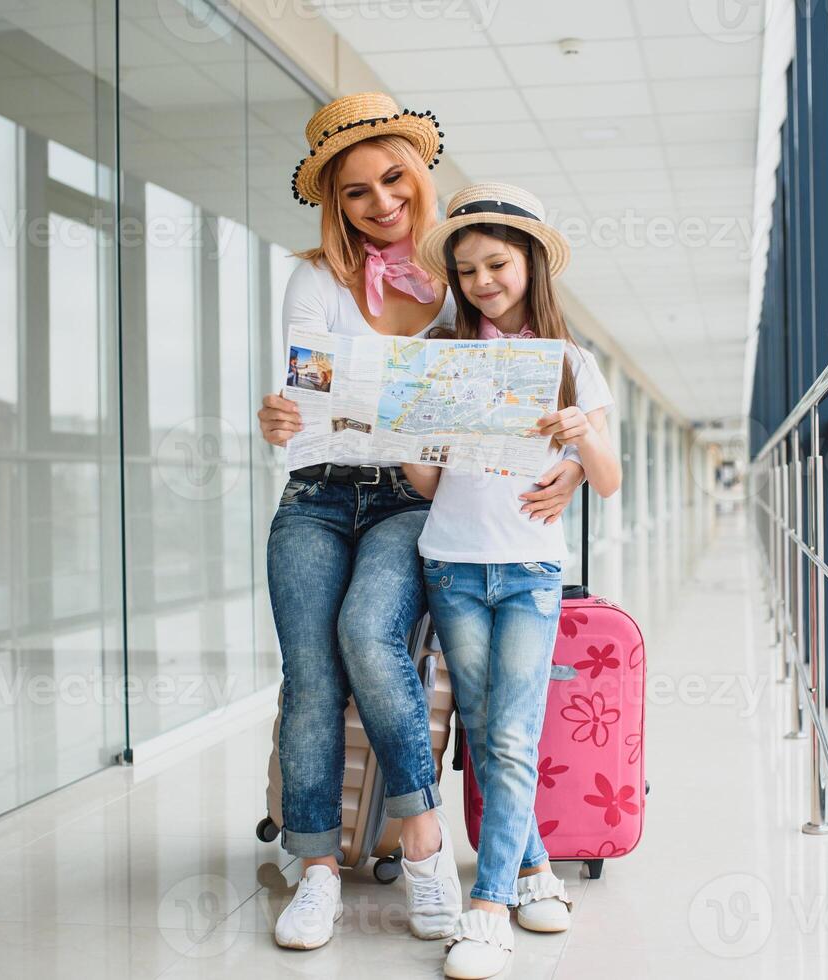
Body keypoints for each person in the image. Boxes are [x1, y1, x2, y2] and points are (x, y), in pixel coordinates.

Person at [255, 95, 587, 953]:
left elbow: (544, 383)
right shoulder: (313, 279)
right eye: (355, 192)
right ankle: (319, 868)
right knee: (310, 673)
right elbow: (302, 396)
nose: (380, 203)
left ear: (422, 174)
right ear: (334, 204)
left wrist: (578, 463)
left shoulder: (464, 278)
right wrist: (276, 419)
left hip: (414, 501)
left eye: (393, 178)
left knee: (370, 633)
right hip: (316, 495)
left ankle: (426, 840)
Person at [402, 183, 621, 980]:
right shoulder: (440, 355)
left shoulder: (570, 362)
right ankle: (533, 871)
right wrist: (415, 435)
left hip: (529, 571)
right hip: (452, 563)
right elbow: (427, 487)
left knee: (510, 736)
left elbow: (608, 478)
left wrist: (577, 436)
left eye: (496, 263)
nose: (482, 281)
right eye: (466, 270)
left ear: (530, 263)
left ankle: (487, 908)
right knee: (489, 728)